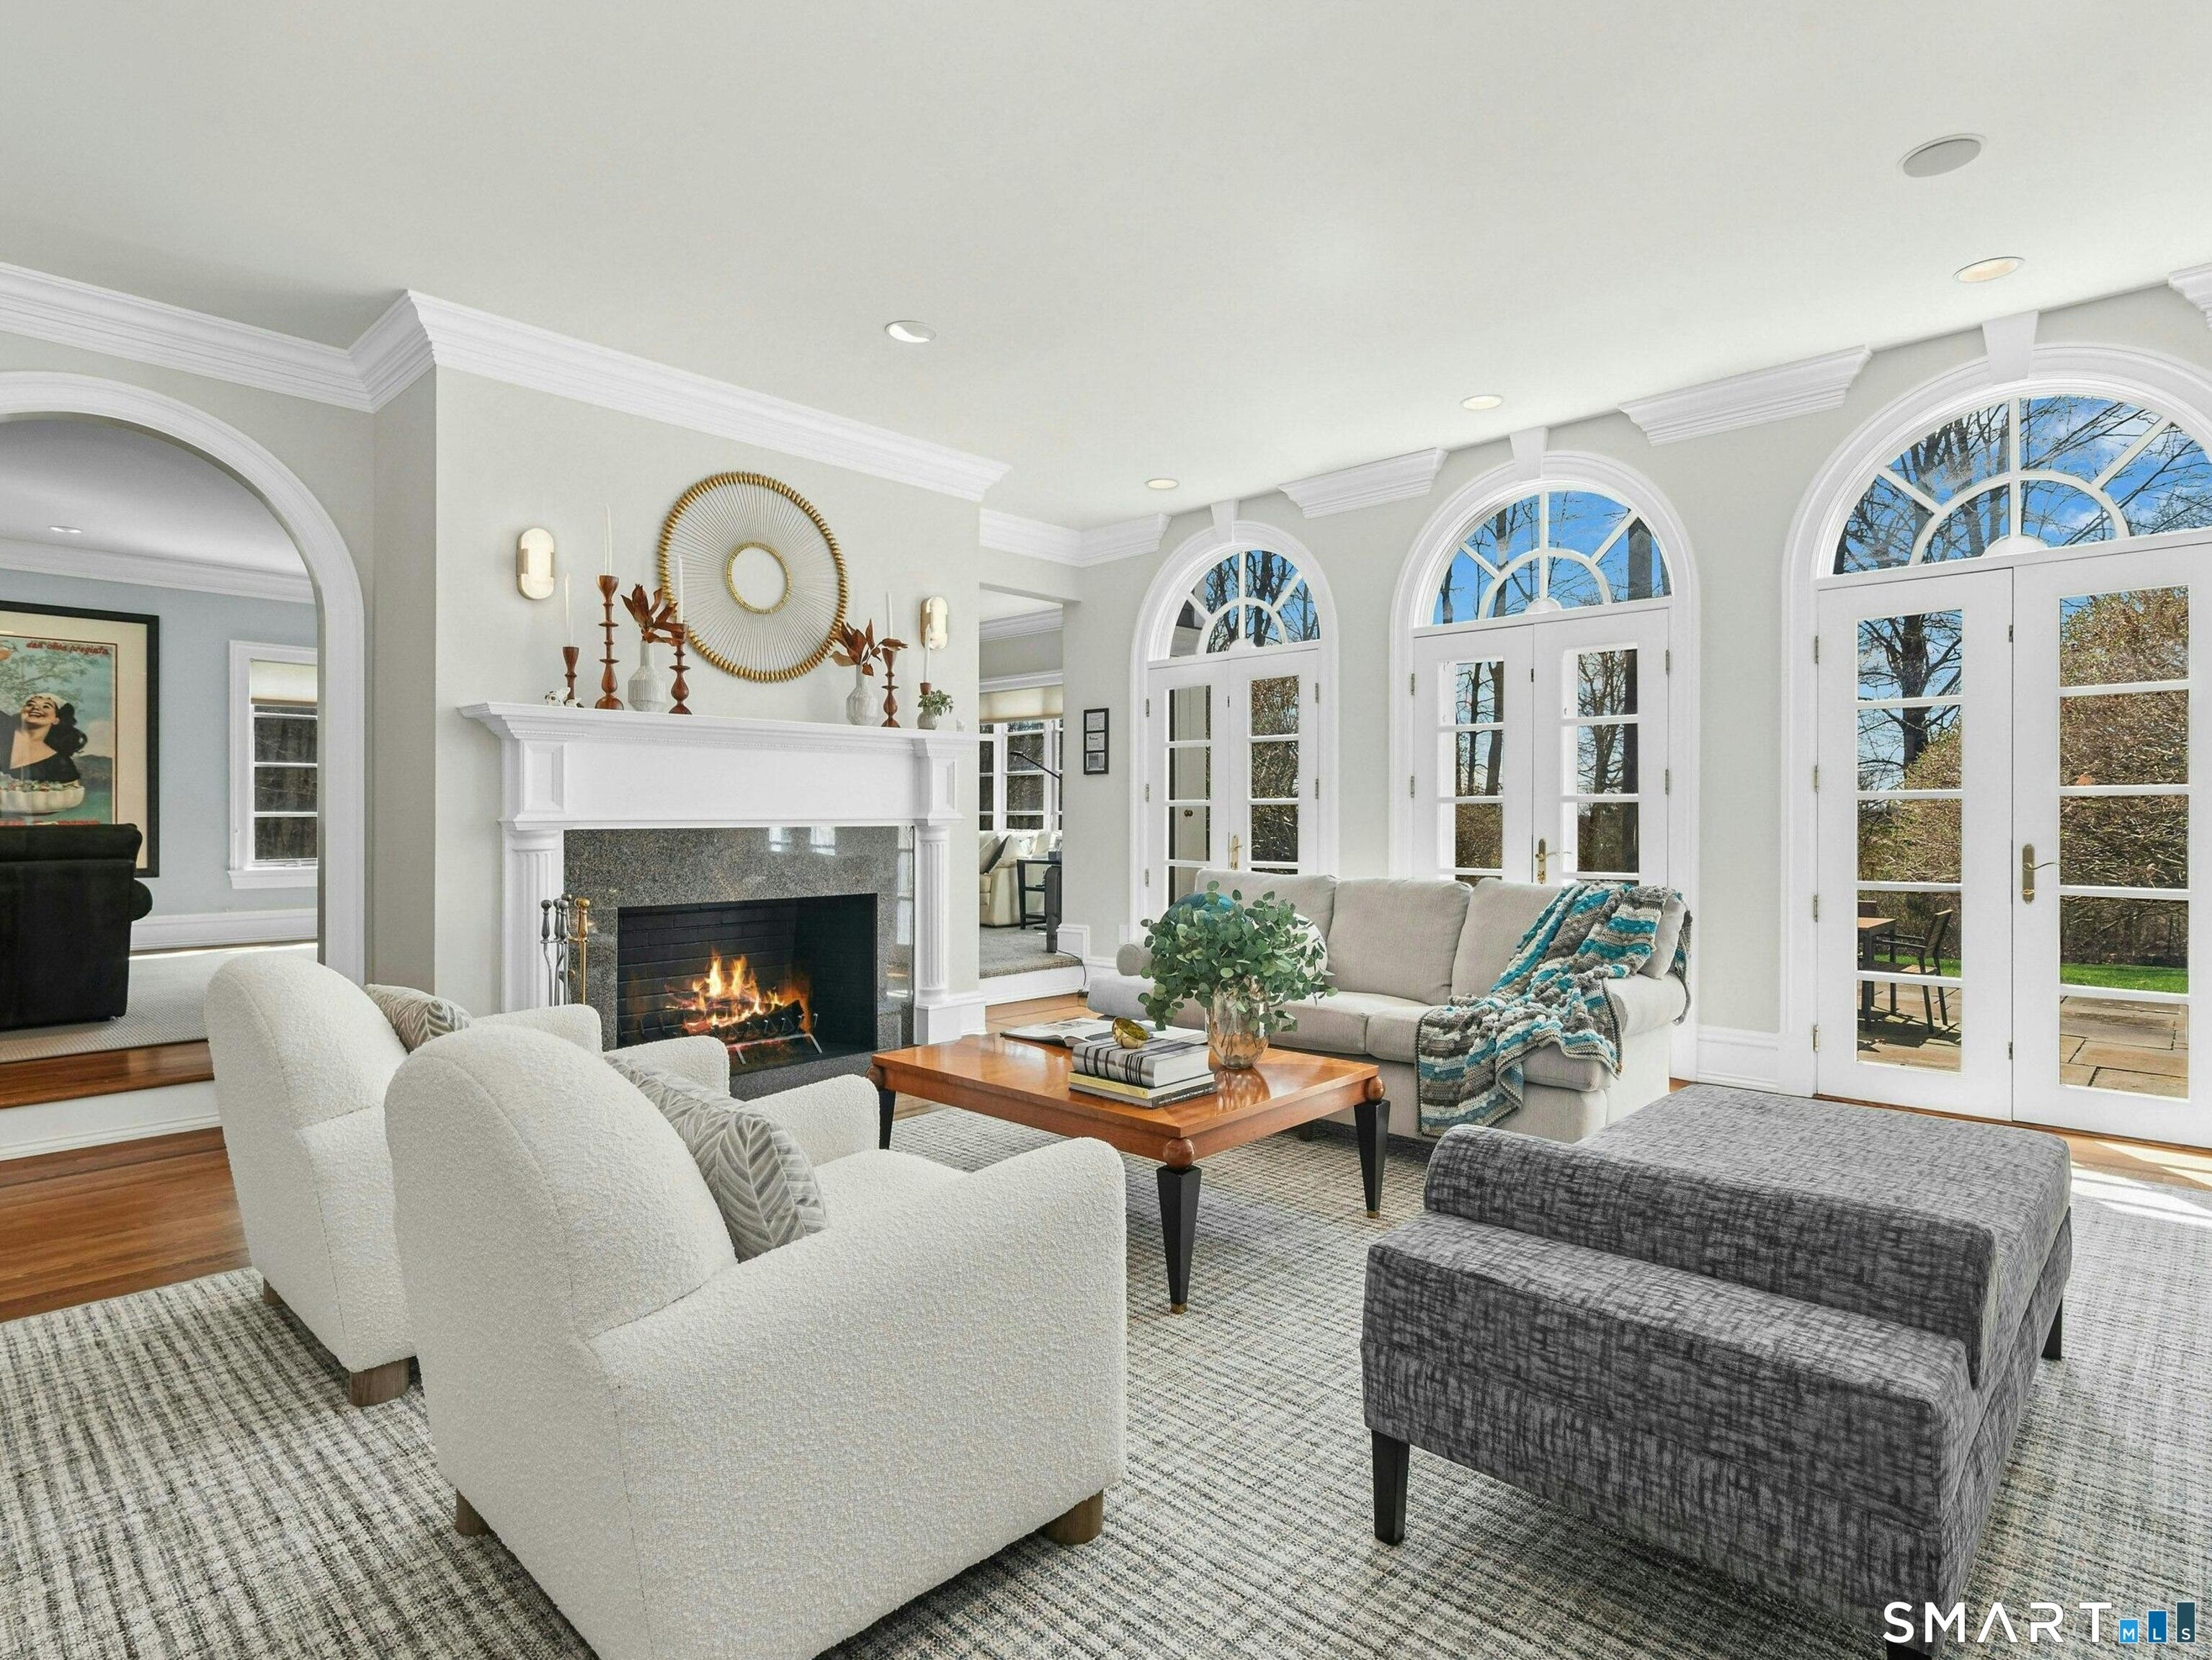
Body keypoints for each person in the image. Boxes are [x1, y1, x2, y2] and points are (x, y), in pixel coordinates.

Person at [4, 693, 88, 783]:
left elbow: (70, 793)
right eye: (30, 704)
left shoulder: (61, 765)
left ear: (56, 719)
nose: (36, 708)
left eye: (46, 706)